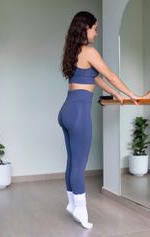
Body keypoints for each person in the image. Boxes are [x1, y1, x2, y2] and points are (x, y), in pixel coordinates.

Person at [58, 11, 140, 229]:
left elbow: (95, 78)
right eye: (95, 28)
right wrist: (132, 94)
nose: (96, 33)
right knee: (79, 164)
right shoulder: (89, 51)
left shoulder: (74, 51)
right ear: (86, 28)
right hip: (78, 113)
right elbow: (110, 75)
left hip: (67, 110)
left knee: (71, 161)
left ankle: (71, 203)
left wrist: (116, 94)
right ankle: (81, 211)